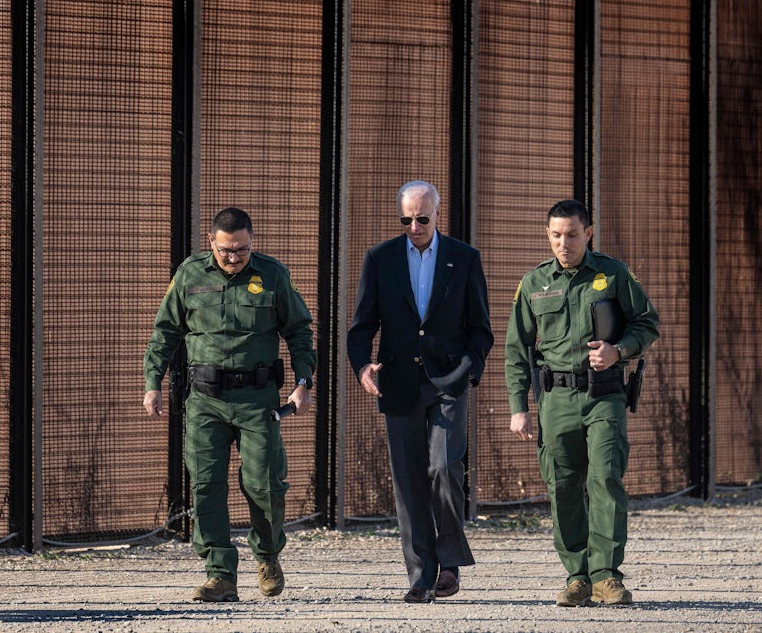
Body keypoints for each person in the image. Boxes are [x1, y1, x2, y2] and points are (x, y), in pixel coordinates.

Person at [143, 207, 316, 603]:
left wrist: (304, 382)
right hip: (205, 400)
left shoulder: (272, 274)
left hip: (257, 399)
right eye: (226, 251)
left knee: (265, 483)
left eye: (241, 250)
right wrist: (152, 383)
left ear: (251, 242)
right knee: (206, 485)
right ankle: (220, 573)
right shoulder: (189, 274)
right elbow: (165, 332)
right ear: (212, 243)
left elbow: (299, 332)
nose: (234, 258)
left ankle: (268, 554)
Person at [505, 199, 659, 607]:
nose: (563, 243)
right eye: (556, 235)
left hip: (604, 393)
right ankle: (577, 576)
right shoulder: (534, 283)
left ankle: (607, 575)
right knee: (564, 486)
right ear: (548, 236)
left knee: (605, 477)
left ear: (587, 233)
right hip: (555, 399)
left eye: (572, 234)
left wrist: (619, 349)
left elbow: (647, 323)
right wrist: (518, 407)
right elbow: (516, 350)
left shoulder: (613, 273)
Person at [348, 180, 493, 603]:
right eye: (406, 219)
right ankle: (420, 574)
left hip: (448, 380)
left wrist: (469, 370)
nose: (414, 226)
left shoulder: (464, 259)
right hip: (398, 382)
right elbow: (361, 328)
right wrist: (362, 368)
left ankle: (448, 563)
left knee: (445, 469)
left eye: (422, 218)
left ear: (437, 213)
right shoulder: (380, 258)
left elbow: (481, 328)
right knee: (409, 481)